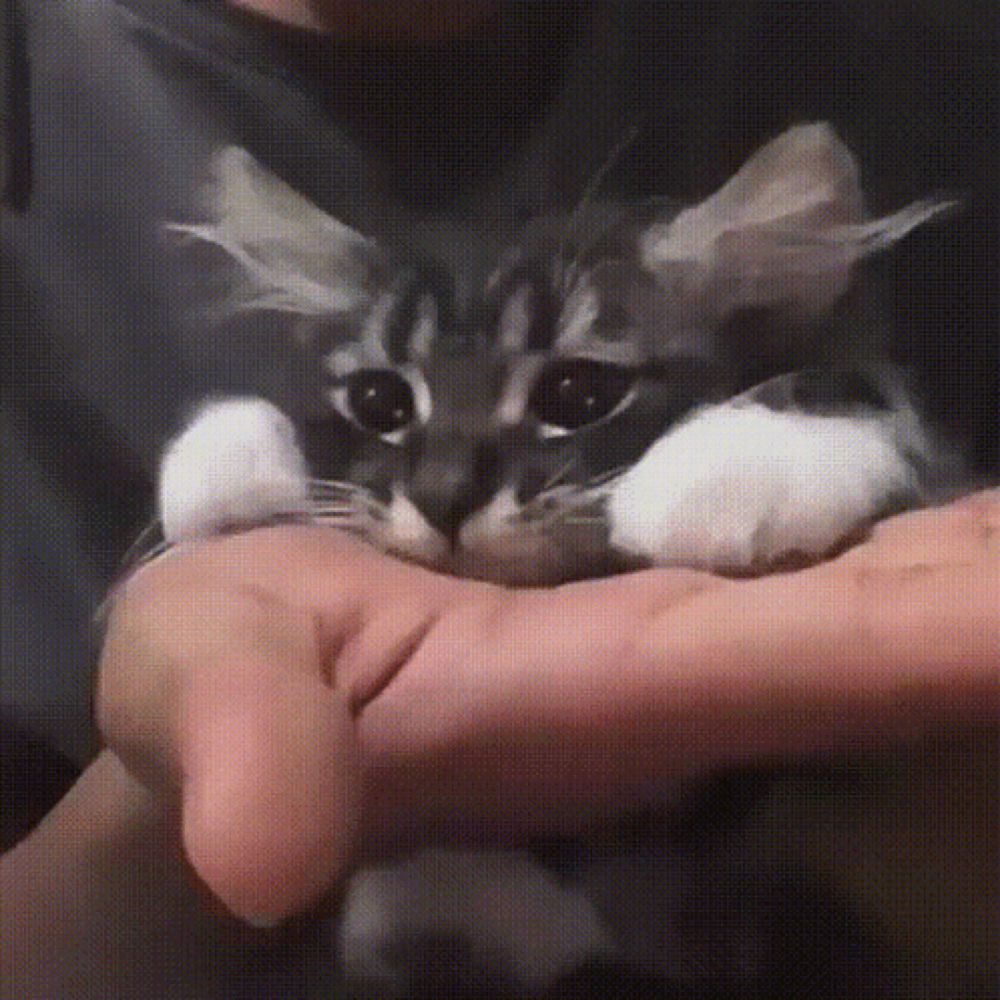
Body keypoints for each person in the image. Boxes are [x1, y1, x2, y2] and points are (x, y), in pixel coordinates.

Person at [2, 1, 997, 997]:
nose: (447, 492)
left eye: (570, 397)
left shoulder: (922, 55)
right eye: (388, 405)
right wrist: (178, 789)